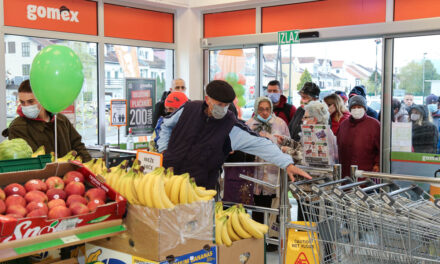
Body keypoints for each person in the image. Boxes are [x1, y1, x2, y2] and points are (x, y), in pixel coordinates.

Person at [156, 80, 311, 190]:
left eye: (226, 105)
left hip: (199, 188)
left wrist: (287, 164)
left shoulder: (231, 126)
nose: (222, 109)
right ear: (207, 99)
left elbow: (261, 144)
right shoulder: (188, 109)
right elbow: (165, 125)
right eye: (219, 104)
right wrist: (163, 150)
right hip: (167, 179)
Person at [5, 80, 91, 162]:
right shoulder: (18, 127)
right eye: (22, 102)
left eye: (31, 102)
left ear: (42, 99)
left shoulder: (61, 120)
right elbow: (25, 162)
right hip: (38, 177)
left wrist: (90, 166)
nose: (26, 106)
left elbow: (78, 145)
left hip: (68, 175)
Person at [245, 97, 290, 223]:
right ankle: (258, 241)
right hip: (255, 177)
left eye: (267, 109)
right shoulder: (249, 124)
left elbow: (288, 144)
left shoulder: (280, 123)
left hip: (274, 176)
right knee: (257, 214)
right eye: (261, 109)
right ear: (255, 110)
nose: (264, 112)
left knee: (274, 215)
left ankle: (272, 241)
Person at [278, 101, 338, 166]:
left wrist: (289, 151)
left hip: (319, 174)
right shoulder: (312, 131)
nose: (302, 119)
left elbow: (313, 158)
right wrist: (287, 141)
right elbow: (302, 147)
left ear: (314, 120)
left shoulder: (321, 134)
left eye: (305, 117)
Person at [337, 95, 380, 178]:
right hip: (345, 172)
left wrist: (377, 164)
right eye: (353, 107)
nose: (356, 109)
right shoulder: (343, 124)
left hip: (366, 172)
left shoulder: (374, 125)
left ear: (364, 108)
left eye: (359, 107)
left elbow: (381, 148)